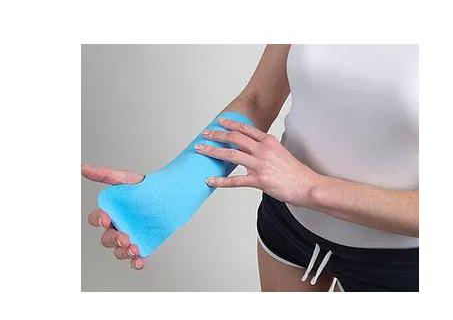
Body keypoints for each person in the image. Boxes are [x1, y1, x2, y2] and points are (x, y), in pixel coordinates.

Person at [82, 44, 419, 292]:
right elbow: (258, 99)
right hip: (288, 228)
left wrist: (310, 188)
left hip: (399, 264)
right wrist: (170, 192)